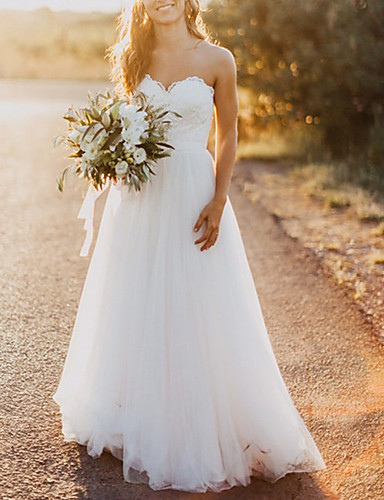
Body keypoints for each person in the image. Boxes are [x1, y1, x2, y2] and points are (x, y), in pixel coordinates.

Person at [53, 0, 326, 493]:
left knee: (197, 301)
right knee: (138, 298)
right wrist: (110, 153)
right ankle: (140, 412)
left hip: (193, 192)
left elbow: (228, 134)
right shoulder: (131, 56)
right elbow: (124, 123)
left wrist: (220, 198)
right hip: (141, 197)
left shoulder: (218, 59)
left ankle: (201, 421)